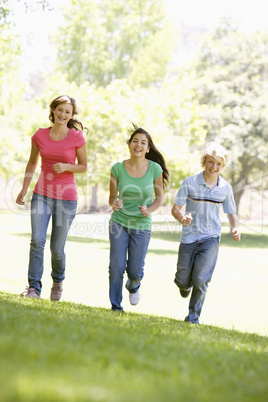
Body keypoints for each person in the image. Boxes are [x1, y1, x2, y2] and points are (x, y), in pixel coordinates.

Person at [16, 95, 87, 301]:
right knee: (37, 241)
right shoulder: (39, 135)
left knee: (57, 248)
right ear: (53, 110)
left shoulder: (76, 137)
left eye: (67, 112)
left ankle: (57, 281)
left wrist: (66, 166)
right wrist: (24, 188)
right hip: (42, 195)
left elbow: (83, 166)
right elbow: (31, 163)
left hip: (67, 199)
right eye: (60, 110)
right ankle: (33, 288)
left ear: (72, 115)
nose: (63, 114)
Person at [171, 142, 241, 324]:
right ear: (204, 162)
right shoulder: (190, 182)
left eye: (218, 164)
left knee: (201, 279)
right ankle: (184, 286)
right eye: (211, 162)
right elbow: (175, 209)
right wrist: (181, 218)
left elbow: (231, 212)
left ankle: (193, 318)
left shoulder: (225, 188)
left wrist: (235, 227)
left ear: (223, 166)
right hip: (189, 237)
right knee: (183, 280)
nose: (214, 167)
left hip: (211, 238)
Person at [108, 124, 169, 311]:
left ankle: (133, 284)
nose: (139, 145)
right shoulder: (117, 168)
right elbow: (111, 197)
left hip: (141, 224)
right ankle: (116, 305)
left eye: (143, 143)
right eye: (135, 141)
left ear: (148, 148)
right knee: (116, 266)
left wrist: (149, 209)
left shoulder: (155, 169)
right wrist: (114, 203)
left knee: (135, 271)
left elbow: (159, 198)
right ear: (129, 144)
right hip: (119, 222)